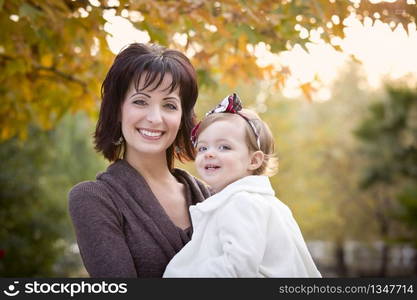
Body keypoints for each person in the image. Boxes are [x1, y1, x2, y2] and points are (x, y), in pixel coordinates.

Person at [68, 43, 211, 277]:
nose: (155, 118)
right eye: (140, 101)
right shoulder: (93, 199)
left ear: (182, 118)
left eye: (169, 105)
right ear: (117, 110)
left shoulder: (214, 198)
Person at [163, 93, 322, 277]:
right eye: (203, 148)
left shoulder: (242, 203)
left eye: (224, 147)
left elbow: (237, 268)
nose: (209, 154)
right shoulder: (260, 202)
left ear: (254, 161)